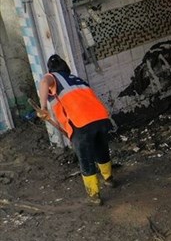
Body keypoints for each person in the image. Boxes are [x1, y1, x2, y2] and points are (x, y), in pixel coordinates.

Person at [36, 54, 115, 204]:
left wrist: (43, 107)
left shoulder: (52, 77)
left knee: (85, 158)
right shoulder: (77, 80)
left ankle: (94, 195)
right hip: (101, 118)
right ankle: (109, 179)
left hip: (81, 123)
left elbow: (44, 81)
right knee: (101, 150)